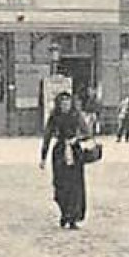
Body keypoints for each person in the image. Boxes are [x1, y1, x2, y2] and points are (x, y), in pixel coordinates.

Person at [40, 91, 91, 229]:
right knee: (60, 185)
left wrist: (76, 139)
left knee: (75, 186)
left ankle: (73, 217)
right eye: (62, 103)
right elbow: (47, 136)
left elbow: (87, 133)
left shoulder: (76, 116)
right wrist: (43, 157)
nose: (65, 106)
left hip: (75, 152)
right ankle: (64, 213)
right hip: (59, 153)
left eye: (67, 103)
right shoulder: (54, 117)